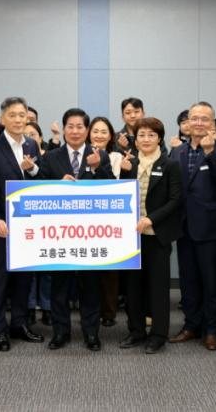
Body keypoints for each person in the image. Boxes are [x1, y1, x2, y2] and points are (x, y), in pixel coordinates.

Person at [38, 108, 115, 351]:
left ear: (87, 130)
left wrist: (98, 167)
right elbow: (37, 189)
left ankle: (91, 333)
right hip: (60, 235)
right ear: (63, 129)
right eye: (70, 126)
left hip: (90, 235)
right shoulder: (51, 157)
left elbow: (113, 189)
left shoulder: (99, 155)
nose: (74, 131)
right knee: (59, 286)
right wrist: (56, 185)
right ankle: (60, 332)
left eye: (80, 126)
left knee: (90, 286)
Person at [0, 96, 45, 351]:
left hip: (28, 225)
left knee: (24, 278)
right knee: (0, 279)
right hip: (4, 226)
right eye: (13, 115)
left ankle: (19, 324)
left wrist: (33, 170)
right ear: (2, 119)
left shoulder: (31, 144)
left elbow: (40, 180)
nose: (18, 120)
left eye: (22, 115)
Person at [168, 102, 216, 351]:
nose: (198, 123)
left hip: (212, 228)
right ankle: (191, 325)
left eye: (204, 119)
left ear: (212, 123)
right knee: (188, 281)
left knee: (212, 282)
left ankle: (212, 330)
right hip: (184, 227)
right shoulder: (178, 151)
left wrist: (210, 153)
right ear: (187, 122)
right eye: (194, 118)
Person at [118, 117, 181, 354]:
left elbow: (175, 200)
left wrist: (151, 219)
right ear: (135, 139)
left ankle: (158, 335)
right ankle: (136, 331)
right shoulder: (130, 163)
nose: (146, 139)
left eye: (151, 135)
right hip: (132, 237)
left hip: (157, 235)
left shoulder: (170, 164)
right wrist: (123, 173)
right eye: (141, 135)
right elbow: (120, 196)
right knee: (133, 287)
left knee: (158, 288)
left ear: (159, 138)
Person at [88, 116, 123, 327]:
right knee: (88, 269)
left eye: (104, 131)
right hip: (84, 222)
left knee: (110, 269)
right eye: (95, 131)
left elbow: (114, 185)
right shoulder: (81, 155)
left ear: (111, 136)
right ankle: (90, 311)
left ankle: (109, 312)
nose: (99, 135)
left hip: (109, 221)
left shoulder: (117, 157)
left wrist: (100, 163)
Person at [23, 121, 52, 326]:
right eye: (26, 134)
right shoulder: (12, 154)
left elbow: (48, 179)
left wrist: (33, 168)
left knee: (47, 267)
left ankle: (47, 307)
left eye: (33, 134)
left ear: (40, 138)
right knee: (29, 267)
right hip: (23, 218)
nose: (29, 138)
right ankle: (30, 306)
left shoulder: (49, 157)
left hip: (46, 219)